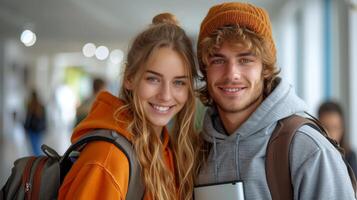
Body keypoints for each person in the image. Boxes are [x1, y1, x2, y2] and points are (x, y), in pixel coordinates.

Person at [195, 2, 355, 199]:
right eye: (218, 60)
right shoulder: (197, 153)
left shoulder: (308, 150)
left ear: (265, 68)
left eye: (245, 60)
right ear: (205, 70)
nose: (232, 74)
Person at [58, 13, 198, 200]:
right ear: (129, 79)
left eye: (179, 82)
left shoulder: (166, 147)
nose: (166, 95)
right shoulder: (108, 158)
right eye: (153, 79)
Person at [318, 101, 357, 176]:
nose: (330, 135)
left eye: (335, 128)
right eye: (325, 128)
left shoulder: (350, 156)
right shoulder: (315, 156)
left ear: (342, 129)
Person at [24, 90, 47, 156]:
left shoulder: (31, 105)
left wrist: (26, 127)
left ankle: (36, 158)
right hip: (37, 129)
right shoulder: (39, 106)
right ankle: (37, 158)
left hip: (33, 129)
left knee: (34, 145)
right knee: (36, 145)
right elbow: (44, 119)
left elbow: (28, 119)